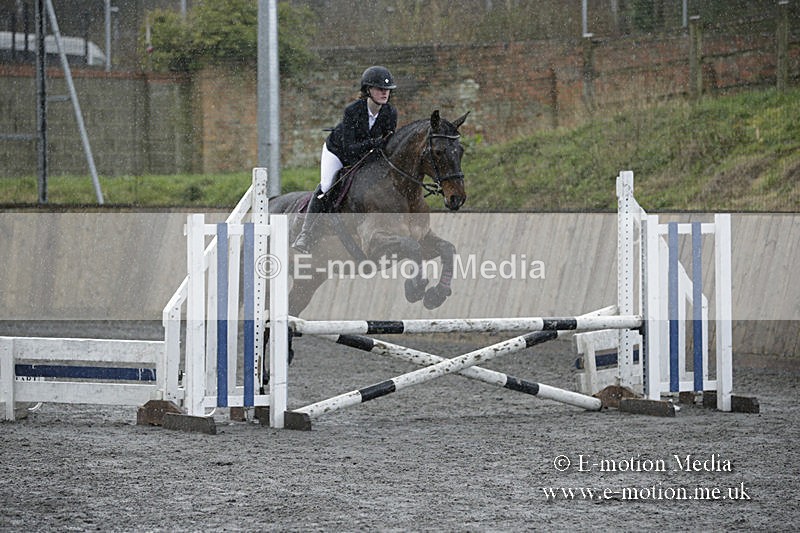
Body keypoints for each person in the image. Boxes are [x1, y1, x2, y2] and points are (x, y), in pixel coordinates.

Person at [292, 65, 398, 253]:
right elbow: (350, 149)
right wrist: (375, 143)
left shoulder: (390, 113)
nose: (385, 93)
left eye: (387, 90)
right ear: (368, 90)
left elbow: (387, 145)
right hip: (338, 152)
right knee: (327, 187)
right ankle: (305, 234)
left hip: (367, 155)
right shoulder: (353, 111)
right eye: (380, 89)